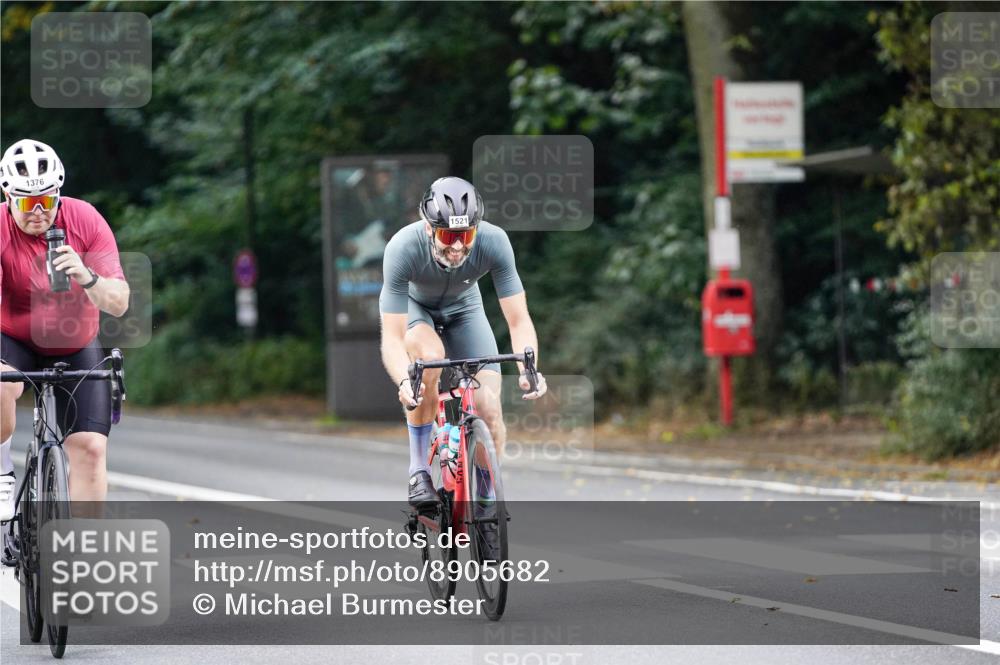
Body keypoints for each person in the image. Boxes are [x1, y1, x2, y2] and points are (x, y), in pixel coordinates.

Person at [378, 176, 547, 511]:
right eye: (448, 236)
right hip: (417, 312)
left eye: (465, 235)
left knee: (489, 409)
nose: (457, 247)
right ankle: (418, 471)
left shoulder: (495, 241)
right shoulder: (402, 247)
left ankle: (485, 501)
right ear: (429, 229)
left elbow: (518, 319)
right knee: (430, 357)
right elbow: (393, 338)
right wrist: (402, 380)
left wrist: (529, 368)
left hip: (465, 310)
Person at [0, 139, 130, 522]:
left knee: (90, 449)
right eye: (26, 202)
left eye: (47, 199)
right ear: (7, 197)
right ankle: (3, 472)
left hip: (74, 341)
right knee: (1, 381)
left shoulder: (85, 219)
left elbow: (119, 303)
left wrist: (88, 276)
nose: (39, 211)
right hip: (12, 337)